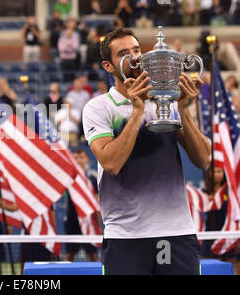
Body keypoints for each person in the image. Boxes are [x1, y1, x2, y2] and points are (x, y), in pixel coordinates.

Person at [82, 27, 210, 275]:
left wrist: (182, 109)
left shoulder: (167, 101)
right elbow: (111, 163)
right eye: (124, 54)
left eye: (137, 50)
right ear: (108, 66)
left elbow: (203, 159)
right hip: (126, 235)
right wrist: (137, 110)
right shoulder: (99, 108)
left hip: (177, 232)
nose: (134, 58)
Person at [200, 167, 239, 274]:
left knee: (230, 268)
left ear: (224, 173)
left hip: (227, 238)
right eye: (213, 171)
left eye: (219, 171)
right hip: (208, 238)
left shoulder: (231, 193)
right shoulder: (202, 192)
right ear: (208, 173)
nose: (216, 174)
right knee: (208, 269)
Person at [65, 149, 100, 262]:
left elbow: (97, 204)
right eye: (76, 158)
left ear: (87, 159)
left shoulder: (94, 180)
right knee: (69, 256)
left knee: (93, 255)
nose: (79, 160)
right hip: (72, 223)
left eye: (81, 157)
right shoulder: (68, 179)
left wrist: (97, 223)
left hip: (89, 222)